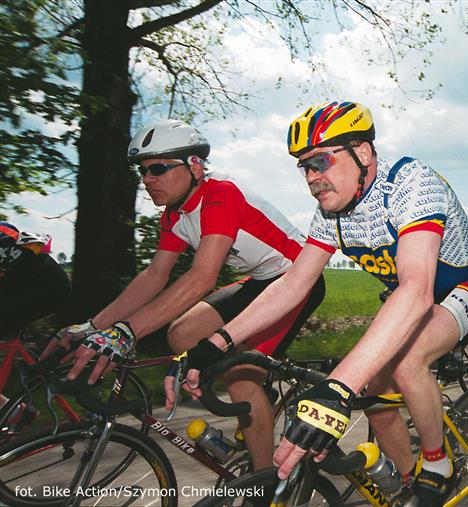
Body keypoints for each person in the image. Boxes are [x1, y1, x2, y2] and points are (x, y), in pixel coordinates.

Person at [177, 101, 468, 506]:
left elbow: (416, 290)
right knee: (375, 396)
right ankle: (407, 484)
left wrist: (336, 389)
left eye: (320, 161)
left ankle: (438, 464)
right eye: (304, 167)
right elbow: (294, 283)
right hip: (416, 294)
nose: (312, 178)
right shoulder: (331, 211)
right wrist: (217, 342)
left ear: (362, 152)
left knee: (405, 361)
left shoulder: (411, 183)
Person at [45, 119, 325, 473]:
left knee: (240, 379)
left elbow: (202, 277)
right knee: (181, 334)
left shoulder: (221, 194)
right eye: (143, 171)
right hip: (259, 280)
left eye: (158, 168)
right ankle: (260, 393)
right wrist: (94, 326)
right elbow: (153, 277)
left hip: (297, 279)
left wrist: (127, 331)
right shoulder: (174, 216)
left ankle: (264, 484)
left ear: (194, 166)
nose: (148, 179)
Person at [0, 222, 71, 431]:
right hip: (25, 284)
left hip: (47, 287)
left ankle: (11, 411)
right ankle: (13, 410)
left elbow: (40, 243)